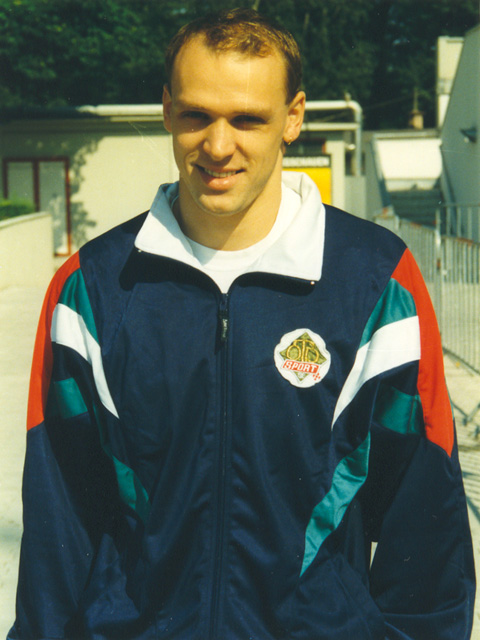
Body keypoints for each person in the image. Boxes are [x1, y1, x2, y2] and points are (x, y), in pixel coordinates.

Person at [9, 8, 475, 640]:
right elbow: (58, 518)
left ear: (293, 117)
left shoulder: (377, 281)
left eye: (248, 119)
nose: (218, 145)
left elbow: (424, 519)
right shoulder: (90, 289)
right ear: (167, 109)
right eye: (196, 115)